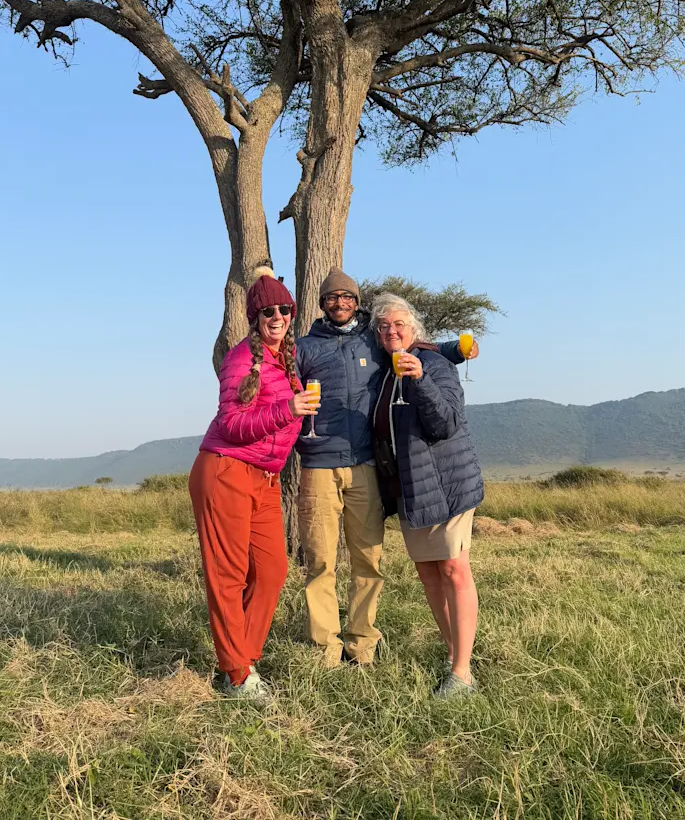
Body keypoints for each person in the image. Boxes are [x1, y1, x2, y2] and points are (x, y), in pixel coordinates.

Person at [296, 269, 470, 667]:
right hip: (318, 465)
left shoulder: (372, 343)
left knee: (368, 560)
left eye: (347, 297)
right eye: (331, 298)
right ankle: (326, 650)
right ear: (321, 303)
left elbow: (419, 348)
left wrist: (457, 351)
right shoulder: (304, 348)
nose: (339, 303)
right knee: (320, 561)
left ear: (356, 303)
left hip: (366, 466)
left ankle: (362, 646)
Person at [189, 268, 319, 700]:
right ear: (254, 316)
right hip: (225, 469)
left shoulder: (285, 357)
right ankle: (238, 674)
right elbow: (231, 424)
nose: (277, 316)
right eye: (267, 311)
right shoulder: (242, 359)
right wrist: (288, 409)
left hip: (265, 477)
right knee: (228, 574)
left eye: (283, 309)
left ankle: (242, 657)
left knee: (272, 570)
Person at [370, 292, 484, 699]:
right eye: (383, 327)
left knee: (454, 569)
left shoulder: (436, 365)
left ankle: (462, 673)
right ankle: (456, 653)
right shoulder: (383, 373)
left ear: (415, 327)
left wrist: (419, 380)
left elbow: (445, 423)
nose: (391, 332)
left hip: (448, 483)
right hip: (410, 489)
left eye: (398, 324)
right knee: (428, 574)